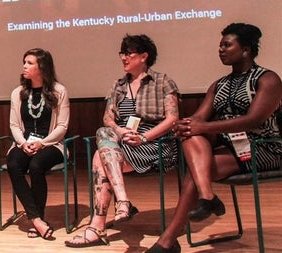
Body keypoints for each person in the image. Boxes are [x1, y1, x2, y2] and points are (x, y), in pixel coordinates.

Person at [146, 23, 282, 253]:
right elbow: (199, 118)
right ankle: (206, 197)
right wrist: (185, 125)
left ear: (246, 49)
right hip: (230, 148)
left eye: (227, 45)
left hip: (264, 147)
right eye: (220, 45)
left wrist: (204, 126)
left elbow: (254, 120)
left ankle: (169, 239)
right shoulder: (218, 85)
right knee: (191, 133)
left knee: (197, 169)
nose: (221, 49)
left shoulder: (267, 79)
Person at [66, 34, 180, 248]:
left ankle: (98, 226)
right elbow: (108, 118)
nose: (123, 58)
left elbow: (173, 118)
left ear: (144, 56)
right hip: (124, 142)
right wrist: (120, 130)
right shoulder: (118, 86)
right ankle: (122, 201)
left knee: (100, 157)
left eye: (129, 53)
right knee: (103, 132)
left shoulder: (162, 82)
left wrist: (144, 136)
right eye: (122, 53)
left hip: (155, 145)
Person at [6, 48, 70, 240]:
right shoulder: (18, 93)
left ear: (42, 66)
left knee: (36, 166)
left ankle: (37, 217)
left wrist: (42, 143)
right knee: (13, 164)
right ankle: (36, 219)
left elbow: (62, 126)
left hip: (52, 144)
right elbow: (14, 124)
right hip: (25, 143)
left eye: (30, 63)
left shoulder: (59, 91)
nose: (24, 66)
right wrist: (23, 143)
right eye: (24, 62)